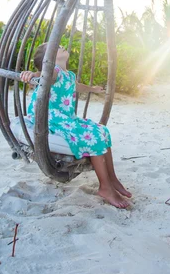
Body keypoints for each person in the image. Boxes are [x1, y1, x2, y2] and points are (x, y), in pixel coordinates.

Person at [20, 43, 132, 209]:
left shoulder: (69, 75)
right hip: (49, 117)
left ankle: (112, 178)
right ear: (48, 58)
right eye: (56, 47)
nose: (62, 46)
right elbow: (44, 76)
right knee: (94, 137)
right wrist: (31, 74)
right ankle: (105, 187)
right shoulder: (54, 72)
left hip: (65, 117)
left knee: (103, 131)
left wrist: (92, 89)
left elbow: (77, 86)